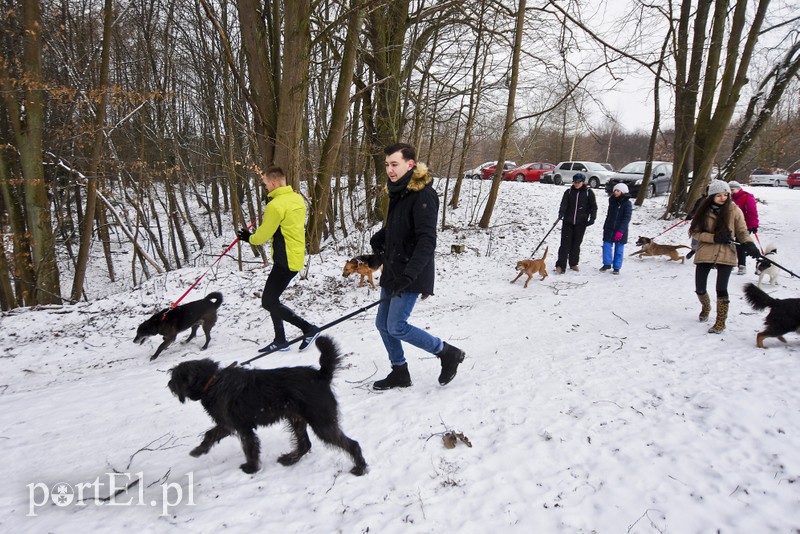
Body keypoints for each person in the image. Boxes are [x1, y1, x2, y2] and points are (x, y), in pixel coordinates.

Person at [369, 142, 465, 390]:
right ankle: (399, 371)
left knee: (396, 326)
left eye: (394, 164)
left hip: (411, 272)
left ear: (410, 165)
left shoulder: (423, 194)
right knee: (382, 324)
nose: (389, 170)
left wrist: (409, 276)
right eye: (387, 165)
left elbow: (426, 240)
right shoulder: (399, 190)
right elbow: (402, 225)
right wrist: (382, 236)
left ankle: (447, 352)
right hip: (393, 268)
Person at [238, 166, 318, 352]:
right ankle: (280, 339)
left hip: (285, 261)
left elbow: (262, 236)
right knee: (273, 299)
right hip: (295, 256)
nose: (265, 187)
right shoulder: (296, 198)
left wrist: (248, 237)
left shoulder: (275, 205)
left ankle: (308, 329)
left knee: (268, 301)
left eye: (265, 183)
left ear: (274, 183)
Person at [688, 180, 760, 334]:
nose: (723, 198)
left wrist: (750, 245)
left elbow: (742, 231)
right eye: (719, 195)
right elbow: (694, 232)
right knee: (700, 288)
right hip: (706, 251)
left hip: (727, 252)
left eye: (726, 195)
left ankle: (720, 321)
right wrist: (714, 237)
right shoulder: (703, 211)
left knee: (721, 288)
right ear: (711, 196)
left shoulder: (734, 210)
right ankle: (706, 306)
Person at [555, 173, 597, 273]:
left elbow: (593, 206)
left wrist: (592, 217)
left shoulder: (588, 192)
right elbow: (564, 204)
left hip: (581, 223)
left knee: (576, 244)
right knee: (565, 244)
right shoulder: (568, 192)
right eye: (575, 182)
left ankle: (573, 263)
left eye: (578, 182)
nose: (576, 184)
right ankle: (560, 265)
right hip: (568, 222)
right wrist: (561, 213)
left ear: (583, 182)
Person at [600, 183, 632, 275]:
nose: (616, 192)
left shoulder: (627, 204)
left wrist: (621, 230)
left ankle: (617, 267)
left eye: (618, 191)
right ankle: (607, 263)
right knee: (606, 246)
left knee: (619, 249)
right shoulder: (612, 201)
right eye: (615, 190)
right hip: (609, 228)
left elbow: (626, 218)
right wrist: (605, 226)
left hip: (620, 230)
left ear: (623, 192)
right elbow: (609, 215)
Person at [729, 181, 759, 275]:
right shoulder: (728, 198)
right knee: (729, 243)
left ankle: (742, 265)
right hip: (730, 224)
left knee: (740, 245)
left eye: (732, 189)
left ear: (738, 189)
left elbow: (752, 212)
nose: (731, 192)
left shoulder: (747, 197)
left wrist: (753, 225)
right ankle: (729, 263)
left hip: (744, 225)